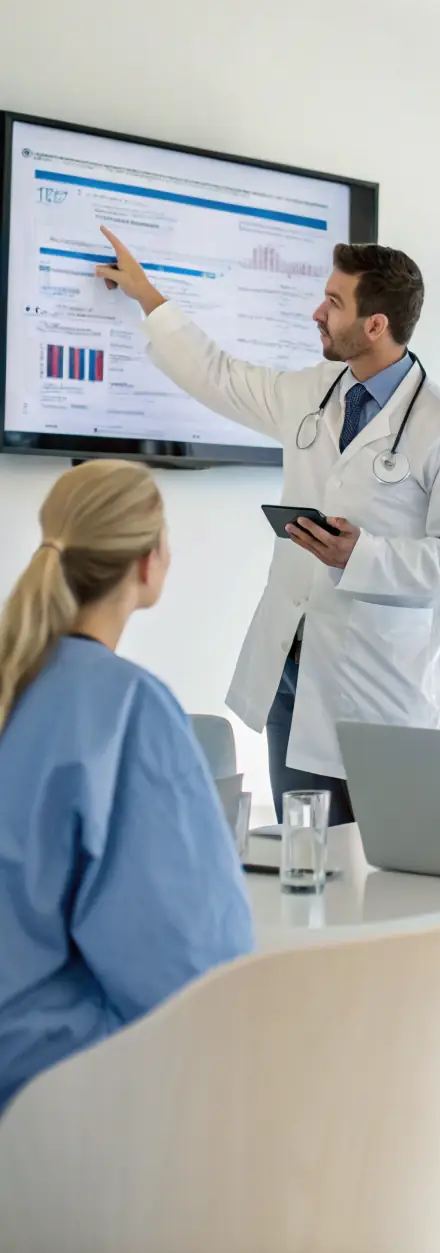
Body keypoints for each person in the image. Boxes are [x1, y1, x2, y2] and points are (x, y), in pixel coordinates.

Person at [96, 230, 440, 825]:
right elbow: (220, 376)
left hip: (381, 688)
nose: (318, 312)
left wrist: (362, 555)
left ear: (375, 326)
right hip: (293, 670)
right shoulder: (313, 392)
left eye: (334, 302)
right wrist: (148, 297)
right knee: (302, 857)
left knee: (376, 871)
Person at [0, 461, 253, 1111]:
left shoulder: (17, 683)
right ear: (150, 561)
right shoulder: (126, 708)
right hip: (48, 1089)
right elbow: (190, 966)